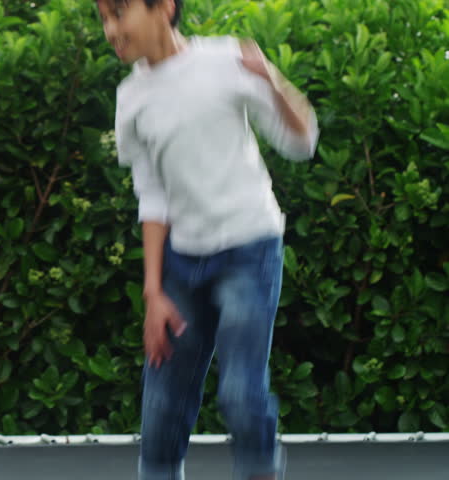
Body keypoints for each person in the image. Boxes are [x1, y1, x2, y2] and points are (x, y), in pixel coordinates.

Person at [95, 0, 319, 478]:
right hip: (181, 263)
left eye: (119, 12)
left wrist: (272, 79)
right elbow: (152, 195)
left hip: (249, 249)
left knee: (240, 395)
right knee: (160, 411)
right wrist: (154, 291)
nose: (112, 29)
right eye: (104, 18)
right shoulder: (130, 96)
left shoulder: (225, 61)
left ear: (164, 8)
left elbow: (301, 144)